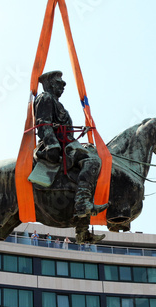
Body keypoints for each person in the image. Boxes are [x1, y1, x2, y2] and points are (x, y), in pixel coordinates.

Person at [34, 71, 108, 218]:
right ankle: (82, 203)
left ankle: (82, 228)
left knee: (93, 153)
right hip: (55, 145)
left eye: (63, 83)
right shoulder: (45, 98)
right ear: (49, 84)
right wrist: (52, 145)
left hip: (66, 144)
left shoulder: (57, 103)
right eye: (59, 82)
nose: (63, 85)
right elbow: (43, 124)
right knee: (92, 161)